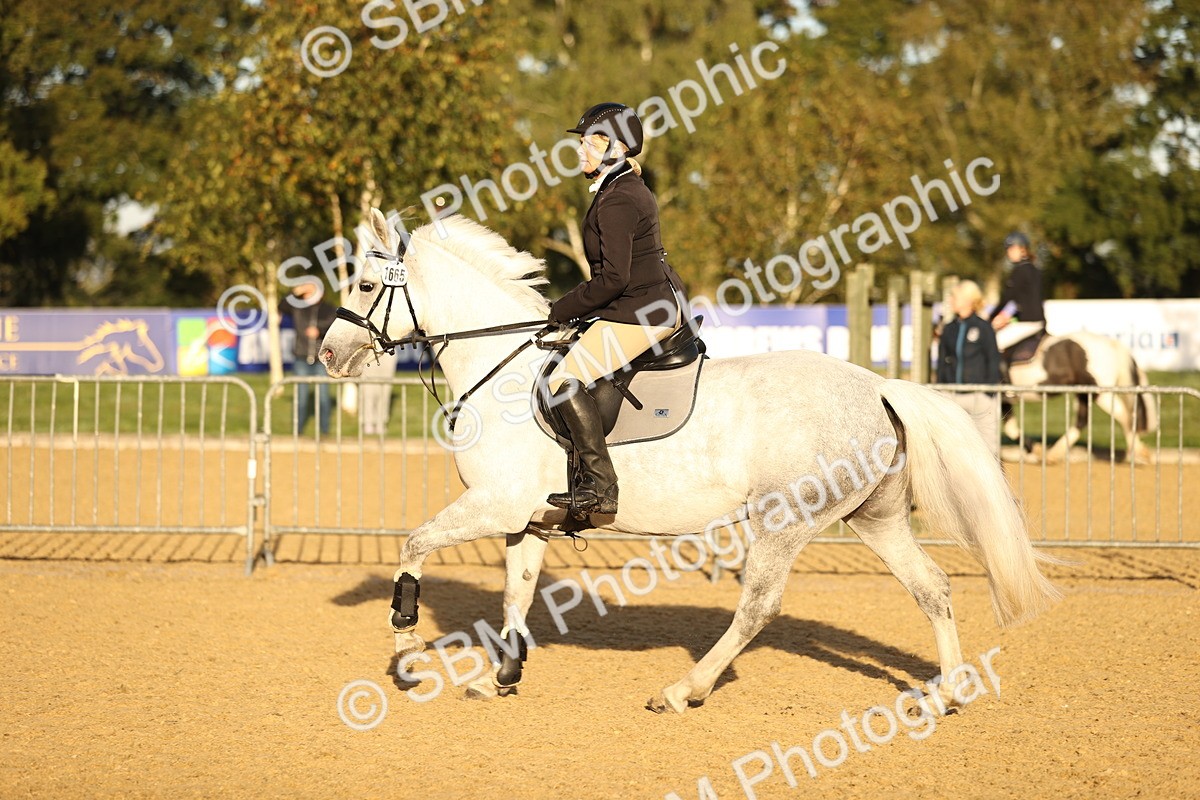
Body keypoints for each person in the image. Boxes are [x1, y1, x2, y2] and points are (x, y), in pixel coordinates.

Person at [544, 102, 688, 518]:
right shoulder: (617, 188)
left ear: (615, 147)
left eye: (589, 143)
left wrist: (562, 309)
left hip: (642, 310)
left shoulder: (619, 199)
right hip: (642, 304)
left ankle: (601, 486)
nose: (580, 151)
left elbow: (613, 280)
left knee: (564, 379)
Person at [938, 280, 1002, 457]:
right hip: (952, 395)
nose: (951, 300)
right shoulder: (949, 328)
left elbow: (993, 360)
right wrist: (943, 388)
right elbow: (942, 361)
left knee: (988, 446)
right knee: (951, 446)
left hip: (979, 396)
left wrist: (987, 393)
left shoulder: (983, 327)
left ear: (968, 300)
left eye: (954, 297)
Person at [279, 281, 336, 435]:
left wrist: (319, 330)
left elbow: (334, 325)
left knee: (323, 397)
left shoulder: (328, 309)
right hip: (301, 358)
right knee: (301, 398)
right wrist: (296, 291)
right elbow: (282, 305)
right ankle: (297, 431)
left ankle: (325, 432)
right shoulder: (298, 307)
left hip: (321, 360)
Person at [988, 231, 1046, 362]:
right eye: (1008, 249)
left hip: (1028, 323)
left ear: (1022, 249)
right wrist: (1011, 317)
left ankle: (1002, 381)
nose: (1008, 253)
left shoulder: (1019, 271)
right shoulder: (1035, 270)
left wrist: (990, 318)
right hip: (1039, 321)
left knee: (994, 344)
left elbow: (1007, 298)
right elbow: (1027, 301)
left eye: (1011, 249)